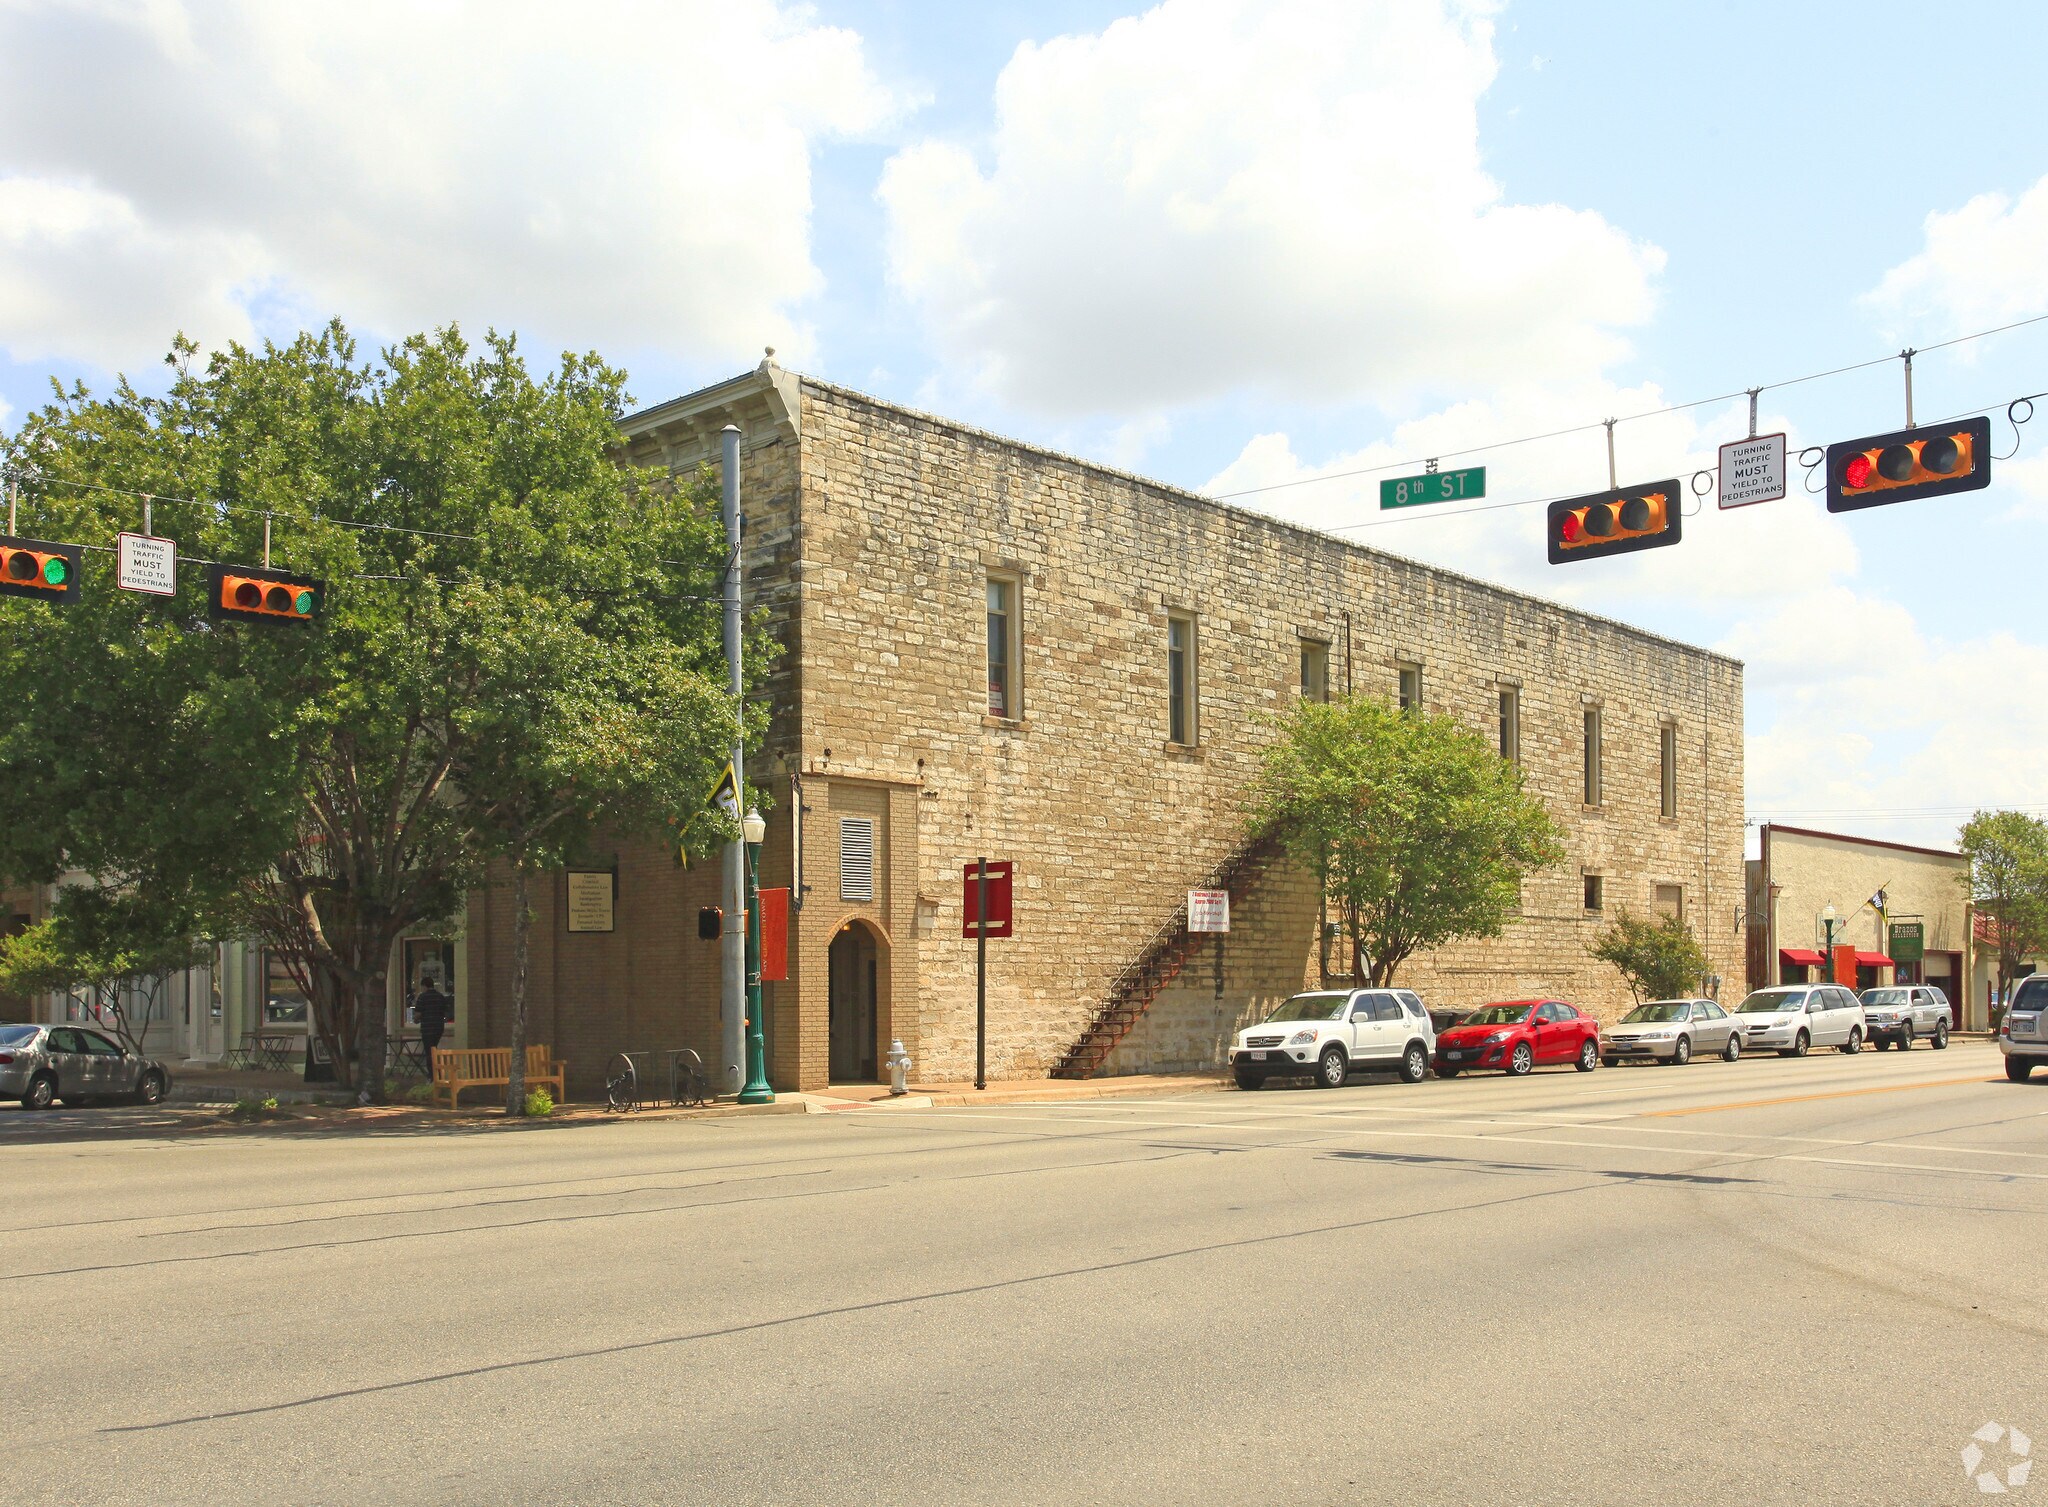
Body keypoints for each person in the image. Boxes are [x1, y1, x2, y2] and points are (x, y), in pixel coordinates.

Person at [413, 972, 451, 1080]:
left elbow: (418, 1014)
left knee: (429, 1052)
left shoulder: (422, 997)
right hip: (439, 1028)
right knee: (434, 1049)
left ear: (424, 986)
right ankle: (438, 1073)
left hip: (427, 1028)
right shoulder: (440, 997)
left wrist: (416, 1020)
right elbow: (446, 1012)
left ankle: (433, 1076)